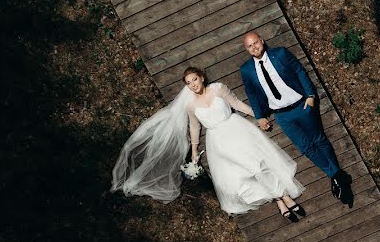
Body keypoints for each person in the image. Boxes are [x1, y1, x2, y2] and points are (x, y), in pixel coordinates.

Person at [112, 66, 305, 219]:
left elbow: (237, 104)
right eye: (188, 83)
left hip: (237, 130)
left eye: (194, 80)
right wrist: (195, 150)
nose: (193, 85)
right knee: (245, 174)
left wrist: (258, 116)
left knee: (258, 166)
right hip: (219, 140)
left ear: (202, 77)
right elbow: (194, 127)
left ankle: (281, 200)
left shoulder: (218, 89)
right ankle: (284, 196)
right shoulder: (191, 105)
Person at [240, 31, 349, 201]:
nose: (254, 47)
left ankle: (336, 176)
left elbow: (300, 72)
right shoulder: (246, 70)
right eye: (250, 46)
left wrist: (311, 96)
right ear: (246, 49)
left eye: (256, 43)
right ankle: (337, 175)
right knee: (305, 147)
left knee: (319, 140)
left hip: (301, 106)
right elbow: (252, 94)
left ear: (262, 40)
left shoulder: (281, 54)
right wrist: (260, 116)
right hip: (281, 115)